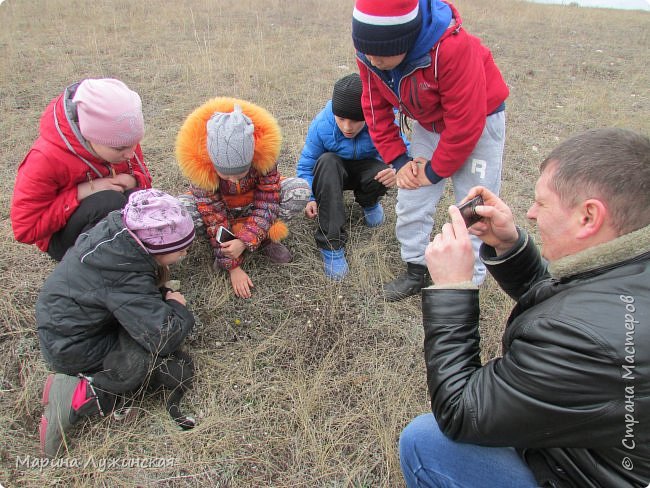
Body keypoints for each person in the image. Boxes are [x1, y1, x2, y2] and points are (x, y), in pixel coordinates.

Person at [399, 128, 650, 487]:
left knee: (425, 441)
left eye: (542, 203)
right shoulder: (629, 267)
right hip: (599, 454)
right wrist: (509, 245)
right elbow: (579, 298)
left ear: (589, 217)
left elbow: (461, 411)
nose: (531, 213)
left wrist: (452, 288)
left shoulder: (589, 341)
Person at [351, 0, 509, 300]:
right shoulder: (370, 53)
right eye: (365, 52)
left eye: (381, 53)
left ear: (406, 39)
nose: (372, 60)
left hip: (480, 120)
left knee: (475, 205)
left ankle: (467, 285)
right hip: (429, 122)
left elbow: (465, 124)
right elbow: (373, 107)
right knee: (411, 195)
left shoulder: (453, 48)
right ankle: (416, 268)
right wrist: (400, 162)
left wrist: (434, 172)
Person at [37, 189, 197, 458]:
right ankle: (80, 394)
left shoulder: (121, 236)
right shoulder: (123, 273)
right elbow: (163, 336)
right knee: (161, 369)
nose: (185, 252)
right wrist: (176, 308)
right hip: (74, 346)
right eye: (181, 248)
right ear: (157, 246)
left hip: (69, 324)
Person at [175, 98, 310, 299]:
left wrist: (244, 242)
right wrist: (232, 267)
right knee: (179, 210)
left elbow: (267, 203)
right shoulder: (201, 167)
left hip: (254, 206)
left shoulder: (264, 157)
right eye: (226, 174)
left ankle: (264, 240)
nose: (233, 179)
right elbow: (213, 216)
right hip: (224, 212)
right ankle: (226, 249)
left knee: (299, 190)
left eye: (241, 173)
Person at [10, 78, 153, 261]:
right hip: (64, 239)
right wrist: (81, 192)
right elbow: (25, 230)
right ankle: (99, 265)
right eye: (119, 149)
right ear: (88, 136)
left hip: (111, 219)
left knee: (138, 197)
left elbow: (145, 181)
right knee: (108, 200)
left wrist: (134, 180)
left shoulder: (124, 141)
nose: (130, 154)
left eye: (135, 144)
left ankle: (132, 257)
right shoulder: (44, 159)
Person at [296, 73, 398, 280]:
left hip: (365, 170)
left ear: (367, 116)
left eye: (356, 120)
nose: (347, 127)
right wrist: (310, 198)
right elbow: (306, 168)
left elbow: (404, 153)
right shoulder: (321, 125)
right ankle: (331, 245)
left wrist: (398, 170)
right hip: (331, 174)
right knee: (327, 161)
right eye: (341, 119)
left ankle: (369, 202)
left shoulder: (381, 122)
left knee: (381, 169)